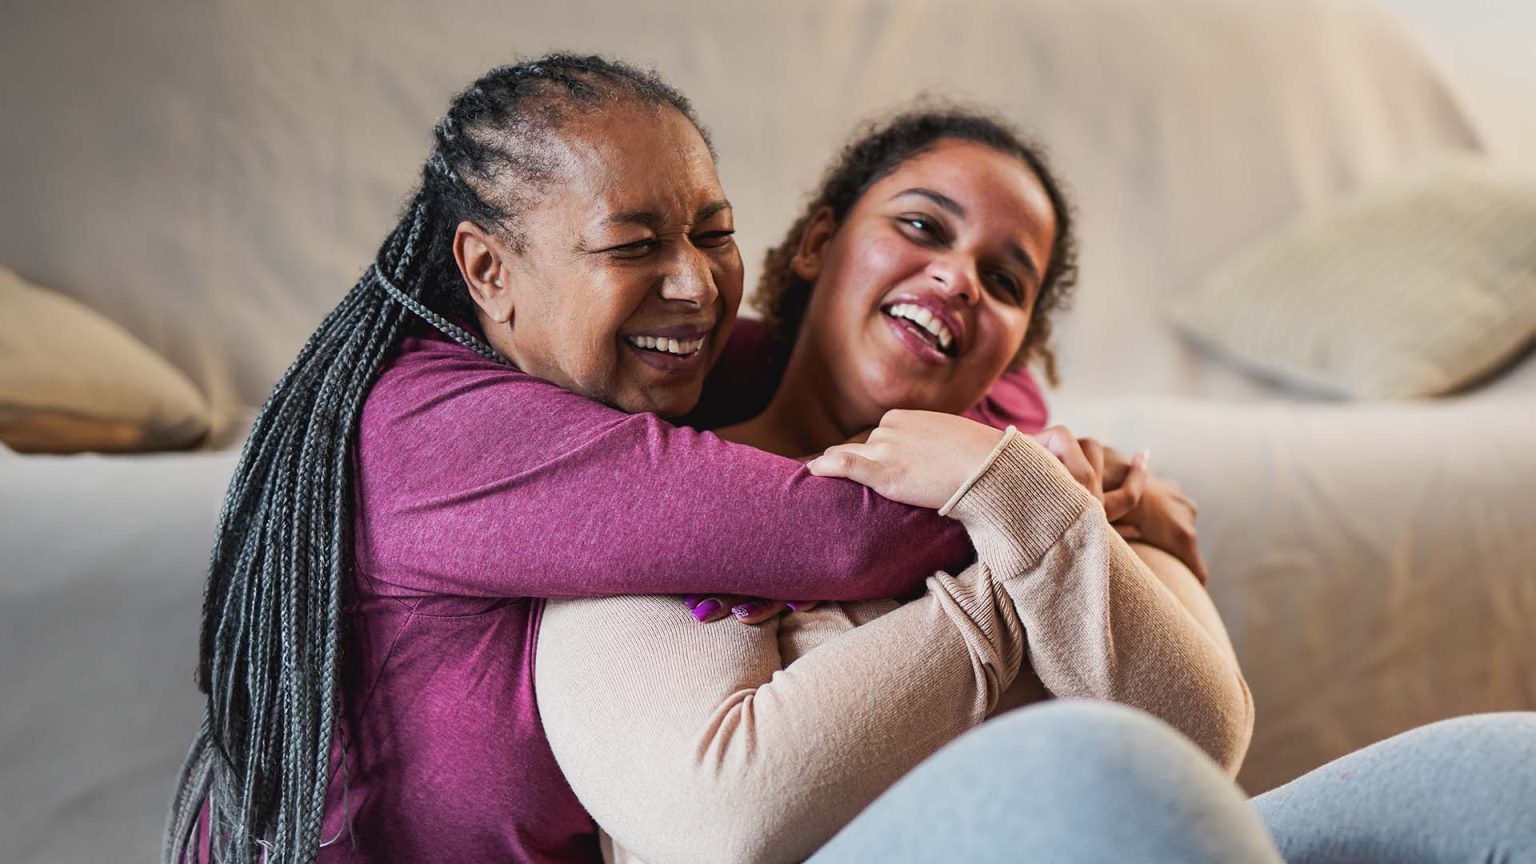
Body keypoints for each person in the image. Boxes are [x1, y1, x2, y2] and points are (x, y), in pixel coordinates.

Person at [534, 109, 1536, 863]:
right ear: (818, 243)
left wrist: (1007, 486)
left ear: (1019, 346)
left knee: (1510, 776)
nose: (959, 276)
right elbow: (723, 814)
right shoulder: (659, 494)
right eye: (923, 227)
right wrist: (1031, 557)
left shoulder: (1057, 481)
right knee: (1094, 770)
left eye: (1006, 280)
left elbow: (1202, 737)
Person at [163, 55, 1057, 864]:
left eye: (714, 234)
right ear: (488, 270)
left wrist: (1039, 450)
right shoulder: (434, 431)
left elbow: (949, 387)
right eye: (631, 245)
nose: (695, 286)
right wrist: (1051, 493)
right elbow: (842, 534)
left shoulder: (658, 355)